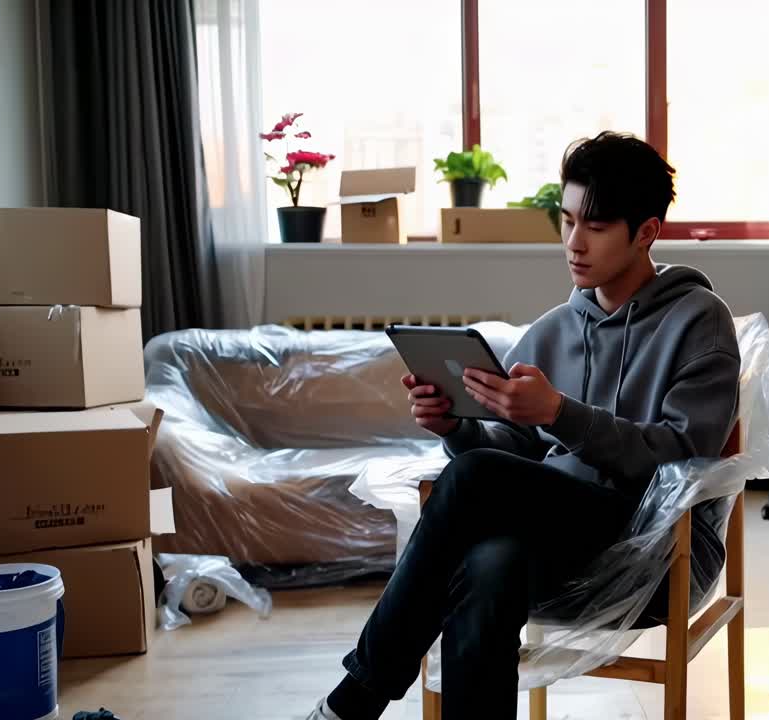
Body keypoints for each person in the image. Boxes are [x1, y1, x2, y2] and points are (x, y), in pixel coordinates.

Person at [307, 131, 741, 720]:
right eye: (567, 221)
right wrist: (455, 427)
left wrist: (561, 413)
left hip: (662, 542)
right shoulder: (553, 329)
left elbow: (684, 457)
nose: (574, 243)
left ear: (646, 232)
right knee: (489, 562)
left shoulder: (700, 321)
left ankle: (358, 696)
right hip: (559, 535)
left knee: (476, 481)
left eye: (595, 226)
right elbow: (510, 453)